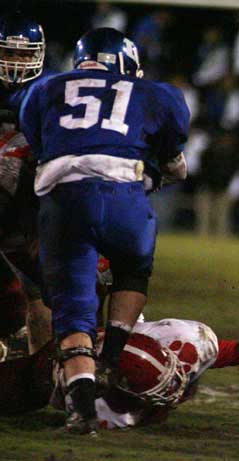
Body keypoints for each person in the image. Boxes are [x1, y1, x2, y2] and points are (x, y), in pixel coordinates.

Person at [18, 27, 190, 435]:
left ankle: (81, 412)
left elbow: (41, 145)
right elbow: (172, 152)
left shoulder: (46, 88)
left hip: (64, 202)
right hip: (124, 195)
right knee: (133, 267)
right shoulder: (156, 93)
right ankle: (111, 356)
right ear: (127, 66)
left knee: (72, 311)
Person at [0, 316, 239, 429]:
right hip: (64, 359)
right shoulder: (71, 376)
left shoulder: (188, 343)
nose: (174, 394)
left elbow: (237, 351)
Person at [0, 12, 53, 358]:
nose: (16, 62)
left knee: (40, 293)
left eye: (24, 54)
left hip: (24, 206)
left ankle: (42, 371)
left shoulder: (48, 91)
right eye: (9, 52)